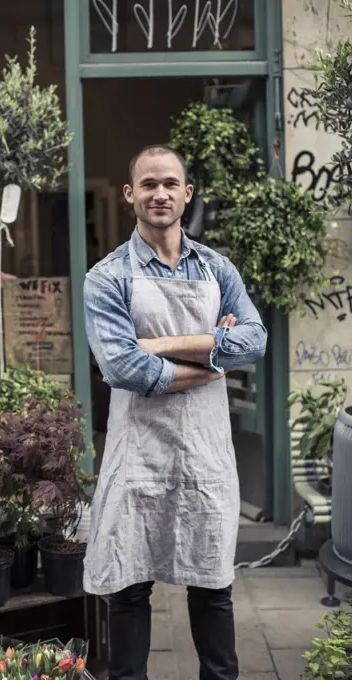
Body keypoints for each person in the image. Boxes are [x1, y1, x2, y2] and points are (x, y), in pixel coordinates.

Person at [83, 144, 267, 680]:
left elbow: (253, 341)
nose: (158, 193)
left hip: (204, 453)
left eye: (169, 184)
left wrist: (161, 346)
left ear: (186, 194)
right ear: (130, 195)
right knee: (130, 585)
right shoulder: (107, 276)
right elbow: (122, 368)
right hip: (139, 454)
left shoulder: (217, 268)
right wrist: (211, 359)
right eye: (148, 185)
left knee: (212, 586)